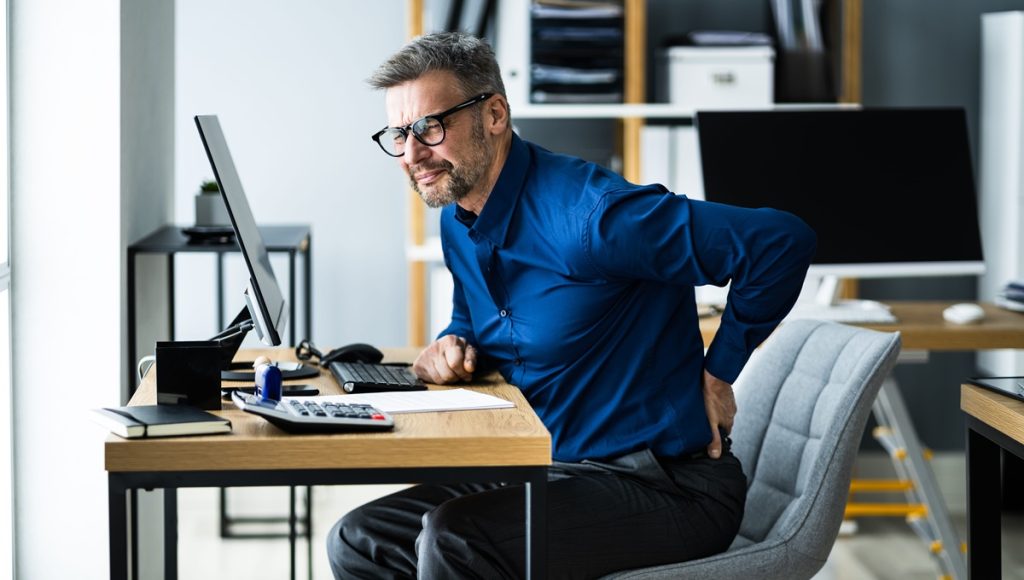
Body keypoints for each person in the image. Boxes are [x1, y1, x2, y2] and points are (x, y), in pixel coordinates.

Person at [328, 31, 816, 579]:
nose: (413, 154)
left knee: (457, 540)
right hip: (547, 466)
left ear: (493, 114)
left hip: (663, 485)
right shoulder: (458, 221)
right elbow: (472, 316)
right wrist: (450, 343)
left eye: (430, 127)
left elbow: (780, 242)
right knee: (360, 538)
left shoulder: (595, 219)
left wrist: (720, 372)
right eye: (399, 133)